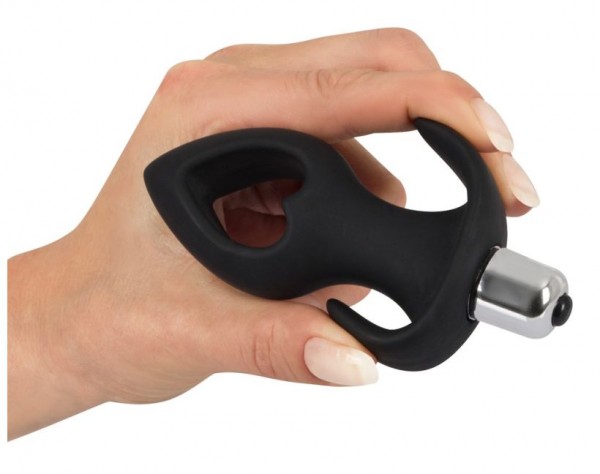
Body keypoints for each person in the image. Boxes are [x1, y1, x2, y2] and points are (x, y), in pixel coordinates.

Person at [6, 28, 539, 440]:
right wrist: (56, 336)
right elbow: (170, 177)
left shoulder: (429, 327)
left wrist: (56, 337)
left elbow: (451, 143)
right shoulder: (425, 337)